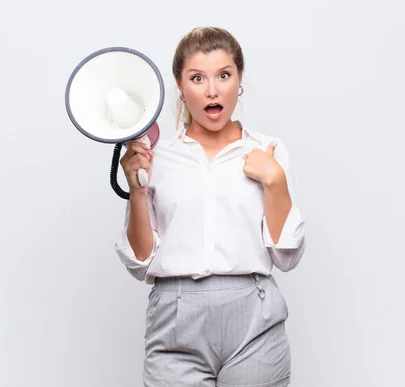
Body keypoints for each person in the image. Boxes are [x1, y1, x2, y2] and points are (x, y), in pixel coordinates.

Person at [114, 26, 306, 387]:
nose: (212, 90)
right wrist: (137, 190)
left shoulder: (268, 151)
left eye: (223, 75)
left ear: (239, 79)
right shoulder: (158, 158)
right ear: (180, 86)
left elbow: (286, 258)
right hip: (175, 320)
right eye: (197, 78)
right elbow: (140, 262)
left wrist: (275, 181)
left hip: (254, 320)